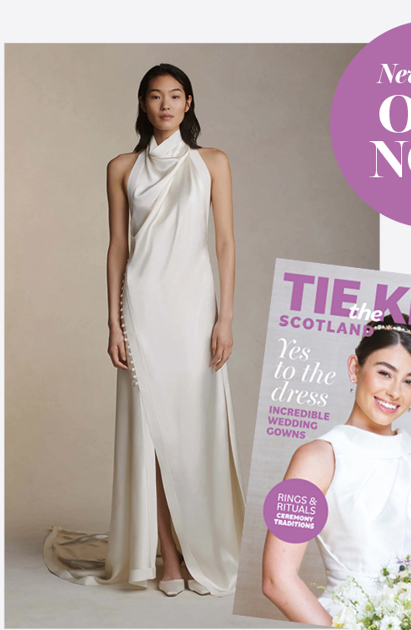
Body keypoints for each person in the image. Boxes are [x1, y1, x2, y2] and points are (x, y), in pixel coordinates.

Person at [44, 63, 244, 596]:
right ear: (142, 103)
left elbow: (224, 243)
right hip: (144, 309)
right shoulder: (121, 167)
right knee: (151, 435)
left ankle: (202, 550)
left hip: (196, 311)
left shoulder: (213, 163)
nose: (165, 105)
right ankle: (171, 558)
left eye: (175, 96)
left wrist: (225, 316)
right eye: (155, 97)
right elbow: (117, 248)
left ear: (189, 102)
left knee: (195, 432)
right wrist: (113, 322)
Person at [261, 316, 411, 625]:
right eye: (385, 373)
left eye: (409, 381)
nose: (394, 392)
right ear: (354, 368)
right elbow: (277, 579)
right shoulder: (316, 459)